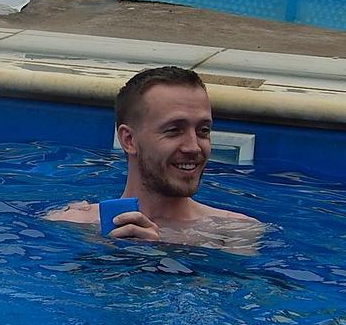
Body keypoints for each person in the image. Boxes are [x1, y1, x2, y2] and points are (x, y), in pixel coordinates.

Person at [46, 66, 260, 249]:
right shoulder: (74, 223)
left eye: (203, 130)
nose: (194, 147)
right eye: (174, 130)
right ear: (129, 140)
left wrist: (156, 256)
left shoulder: (234, 233)